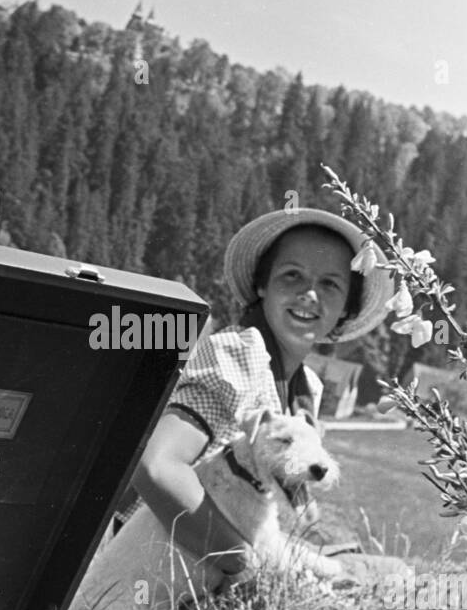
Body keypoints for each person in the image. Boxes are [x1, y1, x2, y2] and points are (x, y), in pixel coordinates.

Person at [122, 206, 392, 580]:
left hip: (212, 566)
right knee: (372, 577)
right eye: (292, 275)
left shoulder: (304, 389)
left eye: (330, 284)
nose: (310, 295)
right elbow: (156, 468)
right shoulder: (234, 357)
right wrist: (245, 564)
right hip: (154, 571)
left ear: (346, 307)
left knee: (371, 573)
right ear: (262, 285)